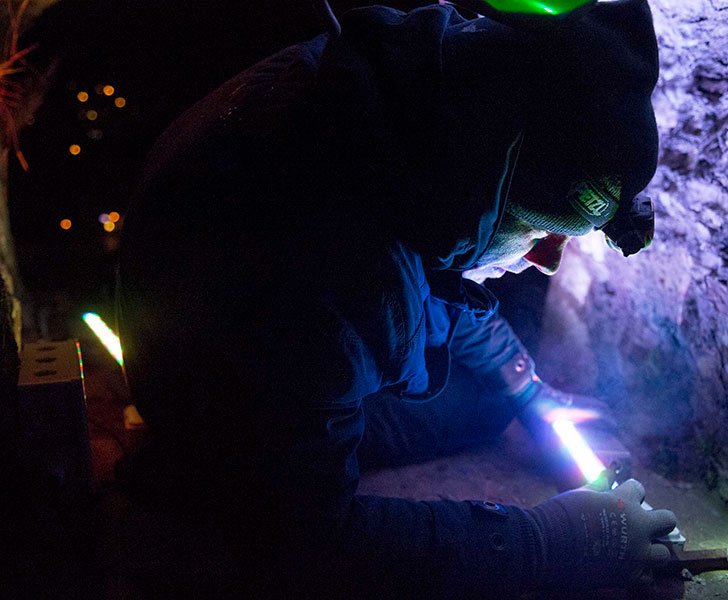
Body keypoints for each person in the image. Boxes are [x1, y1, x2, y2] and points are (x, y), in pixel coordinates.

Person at [115, 0, 676, 597]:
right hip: (217, 418)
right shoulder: (318, 258)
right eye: (541, 230)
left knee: (495, 403)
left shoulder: (399, 109)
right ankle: (195, 491)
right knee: (454, 425)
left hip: (250, 361)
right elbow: (303, 545)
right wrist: (545, 543)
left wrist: (531, 392)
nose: (546, 258)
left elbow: (436, 279)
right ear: (495, 178)